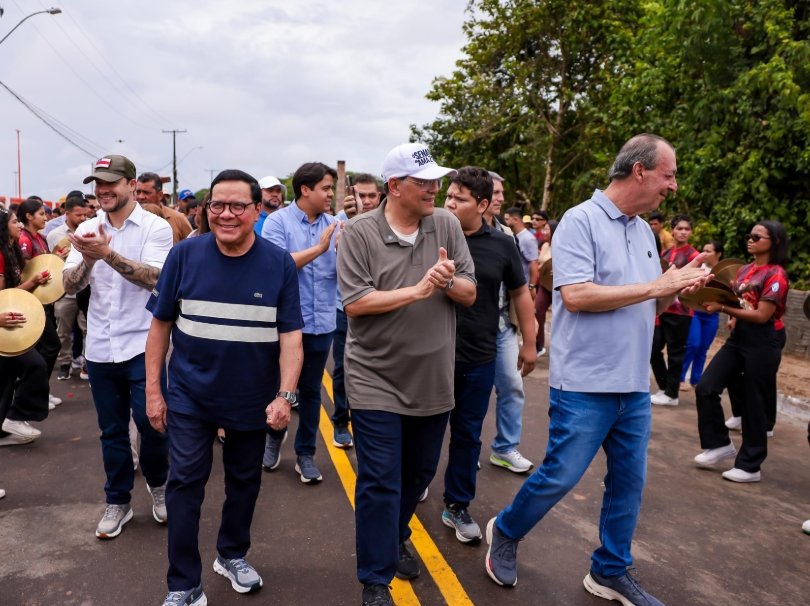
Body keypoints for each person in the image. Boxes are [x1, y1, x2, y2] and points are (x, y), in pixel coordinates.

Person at [484, 134, 709, 605]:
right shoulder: (579, 220)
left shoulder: (644, 231)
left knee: (629, 483)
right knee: (561, 476)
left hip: (633, 384)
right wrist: (656, 286)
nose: (673, 185)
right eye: (668, 175)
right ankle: (505, 530)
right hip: (585, 382)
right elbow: (577, 295)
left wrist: (677, 288)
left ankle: (609, 569)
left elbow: (651, 301)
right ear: (640, 171)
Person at [145, 169, 304, 606]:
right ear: (206, 209)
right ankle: (183, 584)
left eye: (238, 206)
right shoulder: (184, 255)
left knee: (244, 482)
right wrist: (154, 392)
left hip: (252, 399)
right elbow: (159, 327)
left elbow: (291, 338)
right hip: (190, 397)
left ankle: (231, 555)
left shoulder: (279, 264)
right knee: (184, 483)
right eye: (217, 205)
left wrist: (285, 395)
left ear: (257, 210)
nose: (226, 214)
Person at [338, 143, 475, 606]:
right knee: (379, 479)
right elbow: (356, 303)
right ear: (394, 186)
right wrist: (417, 290)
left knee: (418, 473)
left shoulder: (446, 224)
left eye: (437, 180)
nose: (435, 188)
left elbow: (470, 292)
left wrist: (447, 280)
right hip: (375, 377)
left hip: (433, 378)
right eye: (424, 182)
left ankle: (395, 534)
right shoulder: (360, 232)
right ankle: (375, 580)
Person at [63, 154, 173, 539]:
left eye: (111, 182)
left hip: (144, 344)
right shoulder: (87, 228)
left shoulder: (156, 227)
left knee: (152, 423)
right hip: (100, 346)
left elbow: (157, 279)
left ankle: (159, 485)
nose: (103, 190)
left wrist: (106, 254)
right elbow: (70, 285)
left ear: (131, 184)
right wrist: (89, 260)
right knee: (111, 431)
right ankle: (118, 501)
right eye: (98, 183)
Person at [441, 166, 535, 544]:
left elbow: (520, 293)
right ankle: (414, 484)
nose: (449, 203)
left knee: (467, 435)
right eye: (448, 196)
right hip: (430, 356)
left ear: (482, 205)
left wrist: (529, 342)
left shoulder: (502, 244)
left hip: (479, 355)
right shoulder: (430, 236)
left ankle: (456, 505)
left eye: (459, 199)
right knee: (422, 431)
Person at [694, 221, 790, 483]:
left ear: (775, 242)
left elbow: (761, 315)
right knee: (706, 387)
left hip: (764, 340)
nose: (750, 239)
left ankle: (750, 466)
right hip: (740, 338)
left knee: (753, 402)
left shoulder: (776, 275)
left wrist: (724, 309)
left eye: (757, 237)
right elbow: (742, 302)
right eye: (749, 235)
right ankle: (718, 444)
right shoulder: (746, 270)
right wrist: (733, 314)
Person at [261, 162, 339, 483]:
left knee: (310, 391)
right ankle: (273, 437)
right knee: (280, 387)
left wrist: (345, 251)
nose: (331, 194)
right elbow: (276, 266)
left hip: (322, 323)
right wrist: (320, 248)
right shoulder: (277, 222)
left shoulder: (336, 225)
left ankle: (305, 454)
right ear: (305, 190)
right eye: (326, 188)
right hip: (286, 325)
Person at [483, 172, 534, 474]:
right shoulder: (455, 228)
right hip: (466, 328)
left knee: (512, 386)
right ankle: (464, 449)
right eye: (496, 192)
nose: (501, 198)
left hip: (502, 325)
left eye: (502, 192)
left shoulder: (506, 234)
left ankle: (504, 448)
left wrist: (529, 339)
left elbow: (518, 288)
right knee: (463, 395)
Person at [331, 173, 381, 448]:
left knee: (377, 368)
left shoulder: (388, 221)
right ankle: (341, 421)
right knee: (343, 367)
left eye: (372, 195)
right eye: (361, 195)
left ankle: (371, 423)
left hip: (380, 307)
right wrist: (352, 222)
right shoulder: (339, 222)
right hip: (345, 307)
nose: (367, 200)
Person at [0, 208, 51, 446]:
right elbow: (3, 296)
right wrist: (32, 283)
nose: (20, 225)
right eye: (14, 222)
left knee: (6, 378)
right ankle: (15, 416)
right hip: (4, 323)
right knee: (35, 365)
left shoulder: (10, 251)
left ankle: (6, 426)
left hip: (11, 323)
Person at [16, 198, 62, 410]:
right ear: (29, 216)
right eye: (41, 214)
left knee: (47, 347)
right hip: (31, 301)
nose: (46, 217)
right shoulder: (25, 240)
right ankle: (35, 394)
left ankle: (41, 391)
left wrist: (56, 257)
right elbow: (27, 271)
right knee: (51, 346)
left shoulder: (41, 238)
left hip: (42, 300)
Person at [650, 214, 700, 406]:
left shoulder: (694, 256)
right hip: (662, 308)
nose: (683, 232)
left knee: (675, 353)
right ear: (672, 231)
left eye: (687, 229)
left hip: (682, 312)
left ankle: (672, 395)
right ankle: (664, 388)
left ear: (691, 232)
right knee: (653, 349)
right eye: (679, 228)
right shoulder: (665, 253)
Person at [47, 194, 89, 381]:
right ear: (67, 214)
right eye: (78, 215)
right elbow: (49, 262)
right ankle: (65, 363)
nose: (82, 218)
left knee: (88, 329)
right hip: (63, 290)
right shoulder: (54, 235)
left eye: (84, 215)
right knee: (63, 331)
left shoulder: (89, 230)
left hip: (86, 288)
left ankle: (87, 364)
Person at [680, 240, 724, 392]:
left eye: (708, 251)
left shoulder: (725, 273)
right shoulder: (699, 269)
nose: (704, 254)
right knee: (693, 344)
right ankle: (680, 378)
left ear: (718, 254)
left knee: (703, 348)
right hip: (695, 313)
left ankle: (696, 380)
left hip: (712, 316)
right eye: (703, 250)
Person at [135, 173, 192, 244]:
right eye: (138, 192)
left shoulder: (178, 219)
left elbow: (193, 247)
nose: (141, 197)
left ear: (160, 195)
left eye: (146, 193)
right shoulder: (127, 218)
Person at [503, 207, 539, 295]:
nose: (504, 222)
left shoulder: (528, 238)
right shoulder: (511, 235)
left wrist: (531, 286)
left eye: (507, 219)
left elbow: (533, 263)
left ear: (516, 220)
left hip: (522, 288)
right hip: (510, 287)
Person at [534, 219, 557, 357]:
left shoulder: (561, 246)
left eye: (547, 229)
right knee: (538, 311)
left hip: (557, 287)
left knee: (559, 316)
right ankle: (538, 344)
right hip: (544, 284)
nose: (544, 232)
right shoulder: (545, 245)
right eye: (544, 229)